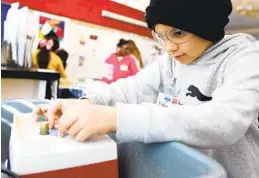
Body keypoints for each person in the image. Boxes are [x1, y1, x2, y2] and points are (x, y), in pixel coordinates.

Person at [33, 0, 259, 177]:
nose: (169, 47)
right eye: (160, 36)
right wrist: (84, 104)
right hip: (181, 169)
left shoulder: (244, 57)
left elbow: (225, 122)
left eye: (178, 33)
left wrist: (118, 119)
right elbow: (130, 89)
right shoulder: (170, 62)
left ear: (206, 25)